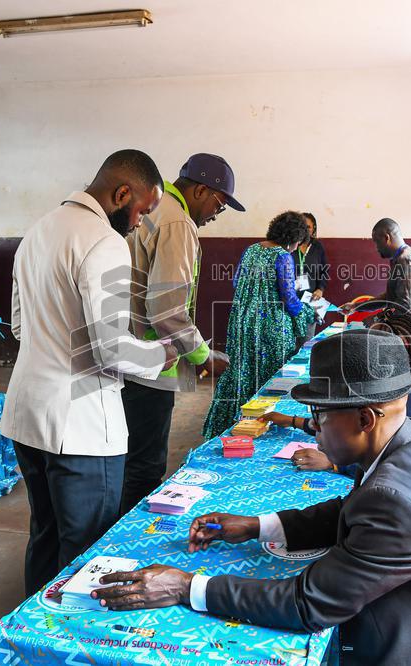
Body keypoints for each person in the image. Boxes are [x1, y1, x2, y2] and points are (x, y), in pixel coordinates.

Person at [93, 328, 411, 665]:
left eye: (320, 415)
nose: (314, 424)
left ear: (366, 419)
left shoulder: (402, 502)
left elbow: (307, 604)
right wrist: (258, 525)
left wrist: (185, 585)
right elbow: (357, 508)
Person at [0, 149, 178, 598]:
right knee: (85, 549)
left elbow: (20, 327)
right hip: (80, 428)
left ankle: (34, 637)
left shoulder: (37, 233)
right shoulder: (104, 241)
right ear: (122, 193)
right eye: (142, 210)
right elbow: (112, 350)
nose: (139, 223)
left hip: (27, 414)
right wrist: (163, 354)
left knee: (46, 535)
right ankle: (68, 644)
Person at [121, 154, 242, 514]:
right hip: (153, 363)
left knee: (126, 458)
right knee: (145, 467)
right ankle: (123, 550)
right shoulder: (178, 222)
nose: (216, 215)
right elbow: (166, 309)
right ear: (201, 190)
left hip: (124, 352)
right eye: (219, 205)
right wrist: (204, 354)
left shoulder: (155, 211)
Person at [261, 306, 411, 474]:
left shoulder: (404, 400)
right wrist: (293, 421)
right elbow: (346, 423)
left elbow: (393, 459)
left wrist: (334, 464)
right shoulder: (398, 387)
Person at [201, 212, 316, 439]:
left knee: (242, 371)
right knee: (270, 377)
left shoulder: (251, 250)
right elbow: (289, 298)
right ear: (293, 238)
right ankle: (263, 425)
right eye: (296, 244)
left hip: (242, 323)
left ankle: (232, 425)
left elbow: (236, 282)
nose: (294, 249)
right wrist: (307, 312)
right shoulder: (282, 256)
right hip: (270, 327)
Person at [341, 217, 411, 366]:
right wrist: (356, 307)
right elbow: (390, 298)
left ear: (386, 238)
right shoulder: (398, 259)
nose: (376, 247)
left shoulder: (406, 260)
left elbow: (404, 304)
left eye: (376, 242)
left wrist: (377, 319)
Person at [291, 212, 329, 344]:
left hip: (310, 301)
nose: (305, 230)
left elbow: (324, 270)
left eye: (308, 227)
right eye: (302, 226)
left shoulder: (317, 247)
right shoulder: (289, 246)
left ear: (314, 229)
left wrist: (320, 289)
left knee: (306, 343)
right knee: (290, 343)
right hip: (290, 301)